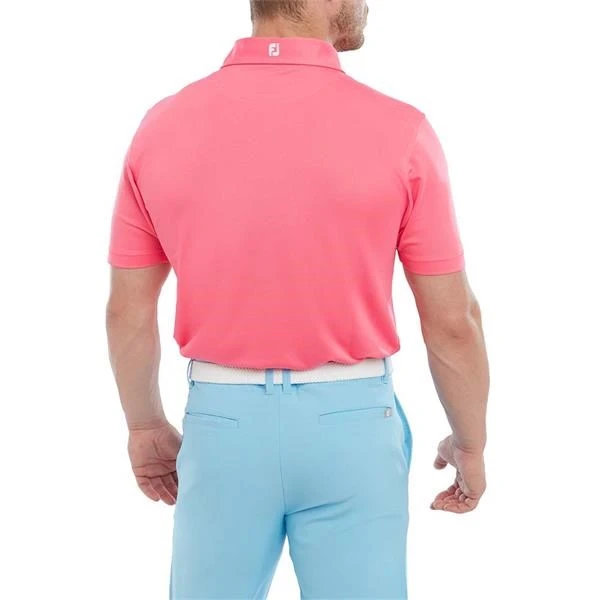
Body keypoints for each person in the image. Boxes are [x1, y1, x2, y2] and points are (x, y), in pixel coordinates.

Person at [105, 1, 489, 598]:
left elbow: (127, 311)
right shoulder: (401, 130)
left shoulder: (162, 126)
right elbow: (453, 321)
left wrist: (144, 425)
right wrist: (470, 443)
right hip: (353, 425)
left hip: (222, 426)